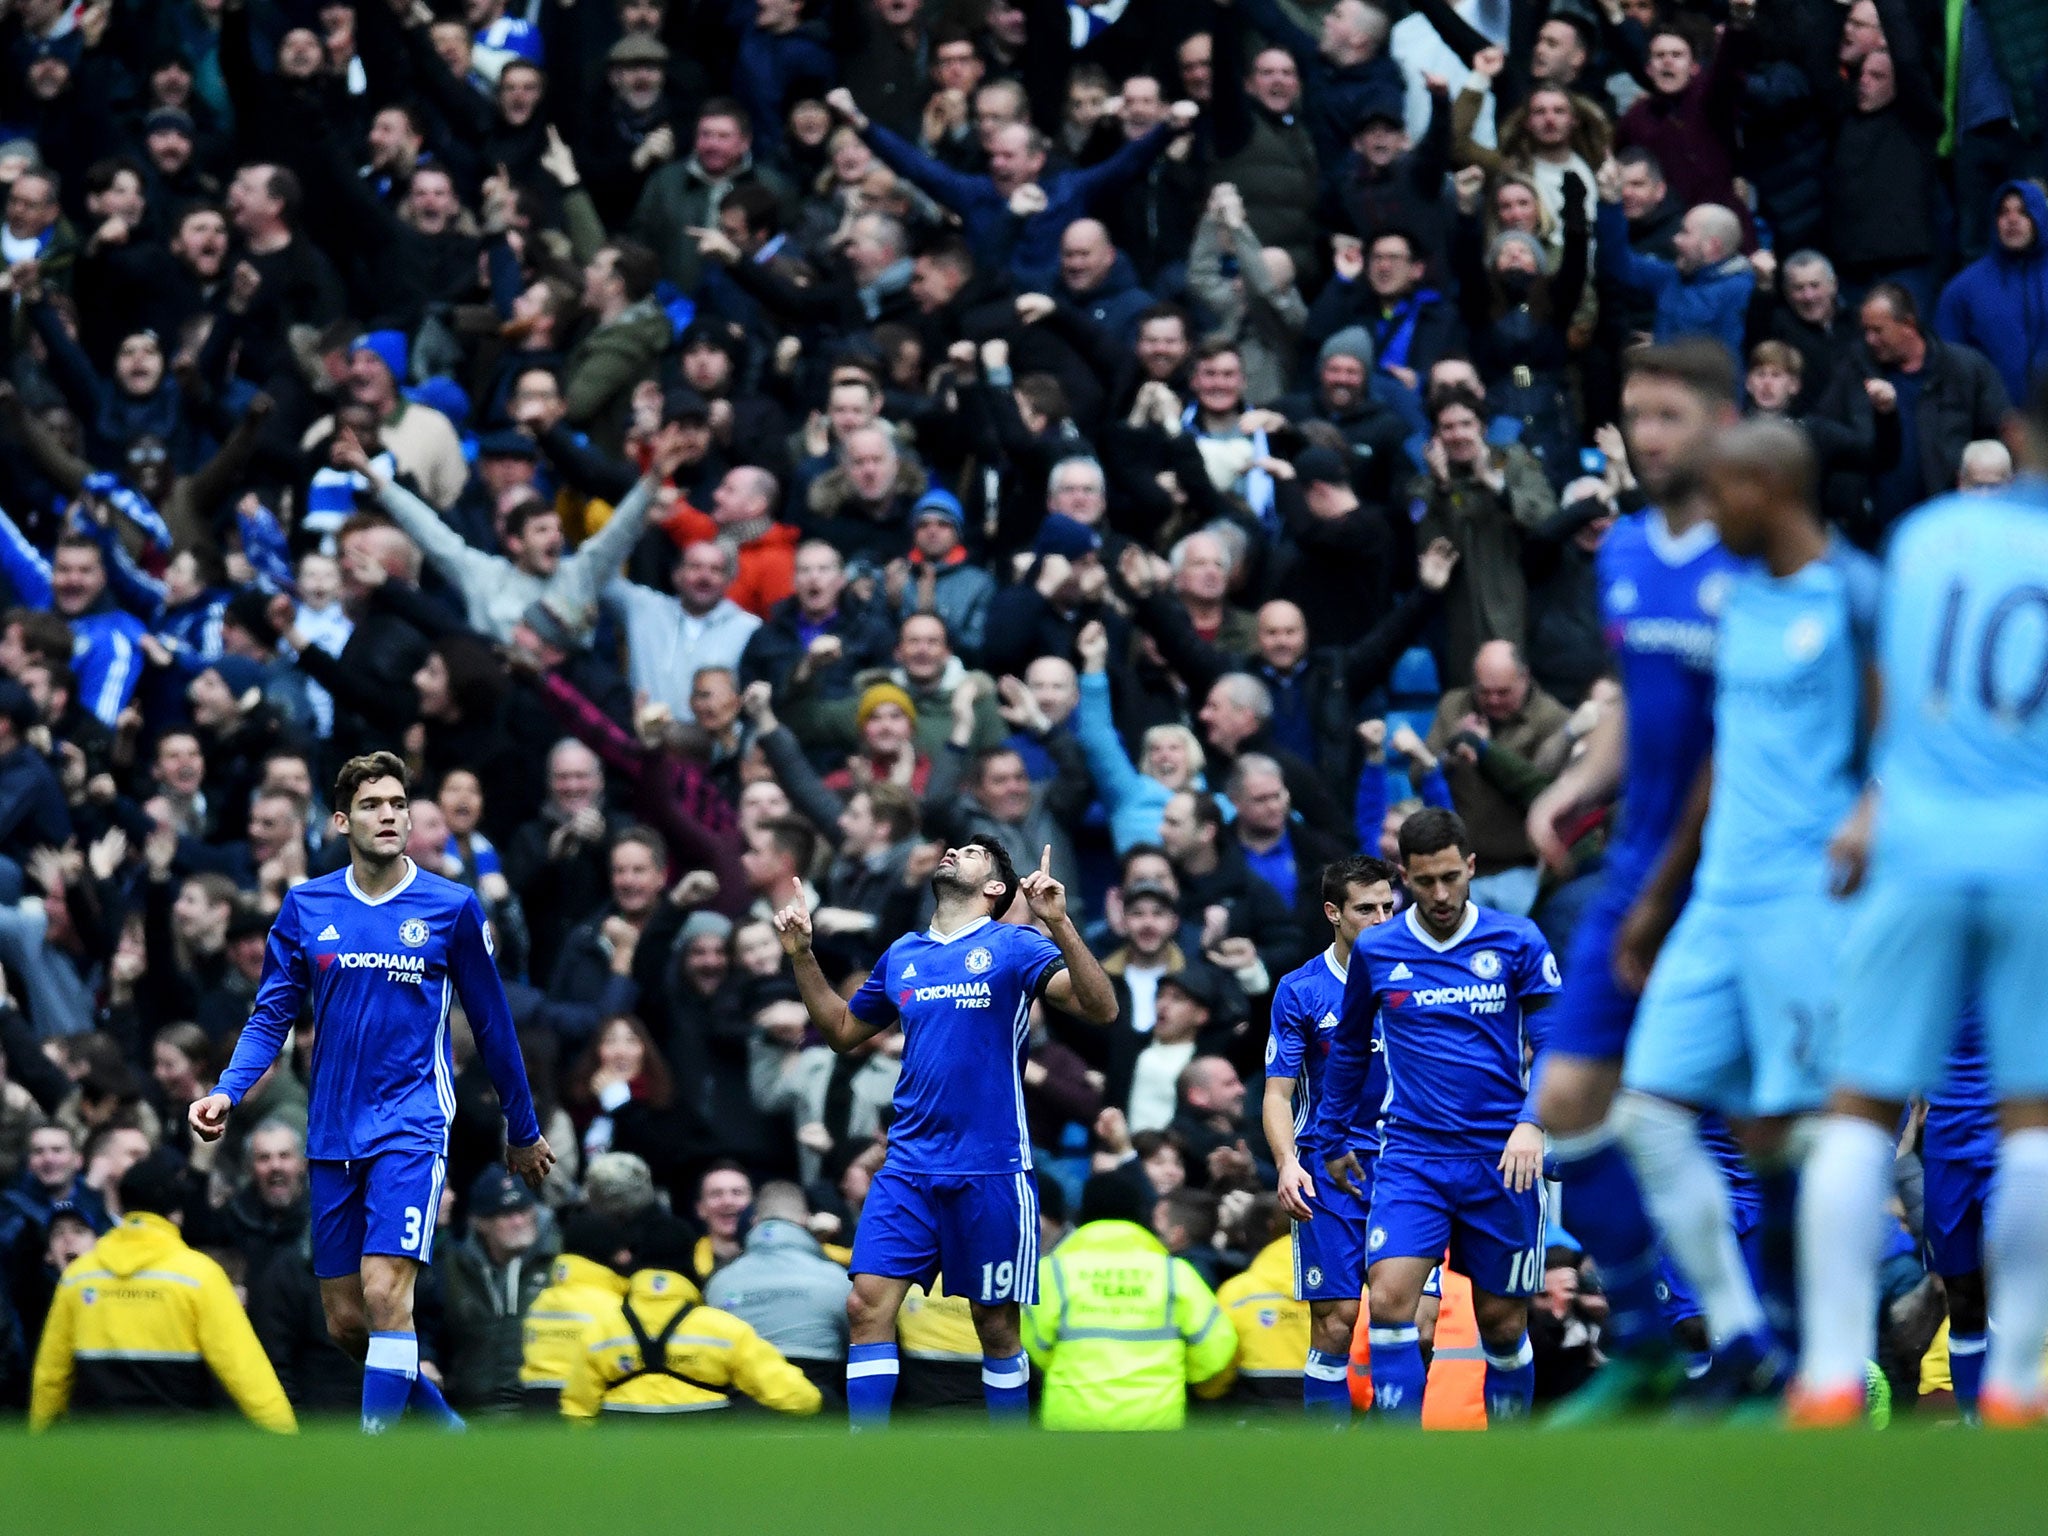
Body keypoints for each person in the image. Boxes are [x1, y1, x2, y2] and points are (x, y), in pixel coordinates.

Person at [1795, 368, 2048, 1429]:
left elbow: (1884, 699)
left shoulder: (1930, 536)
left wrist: (1864, 807)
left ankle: (1821, 1375)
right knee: (2029, 1118)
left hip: (1920, 838)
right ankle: (2016, 1386)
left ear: (2011, 430)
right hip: (2027, 842)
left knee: (1856, 1107)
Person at [1609, 419, 1878, 1404]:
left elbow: (1907, 734)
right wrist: (1657, 899)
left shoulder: (1853, 595)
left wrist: (1868, 813)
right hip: (1718, 899)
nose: (1704, 512)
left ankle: (1834, 1362)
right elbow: (1724, 758)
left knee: (1795, 1129)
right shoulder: (1741, 605)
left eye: (1719, 492)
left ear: (1768, 487)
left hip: (1807, 903)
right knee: (1644, 1110)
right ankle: (1743, 1340)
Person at [189, 752, 555, 1434]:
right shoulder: (308, 905)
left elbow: (494, 1025)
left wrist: (523, 1127)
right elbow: (272, 1013)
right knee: (350, 1323)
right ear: (340, 820)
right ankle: (447, 1431)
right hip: (332, 1131)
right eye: (371, 805)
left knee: (388, 1295)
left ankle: (374, 1470)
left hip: (411, 1124)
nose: (388, 815)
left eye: (396, 803)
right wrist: (228, 1091)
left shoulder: (450, 907)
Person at [1521, 341, 1745, 1422]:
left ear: (1720, 418)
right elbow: (1627, 692)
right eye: (1632, 416)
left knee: (1752, 1126)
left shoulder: (1756, 555)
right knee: (1563, 1104)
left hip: (1731, 877)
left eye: (1666, 415)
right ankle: (1646, 1343)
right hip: (1632, 865)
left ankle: (1772, 1352)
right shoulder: (1623, 555)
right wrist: (1571, 785)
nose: (1645, 437)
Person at [771, 834, 1117, 1426]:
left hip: (992, 1167)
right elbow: (844, 1030)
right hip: (906, 1165)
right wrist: (802, 954)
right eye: (955, 848)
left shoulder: (1014, 945)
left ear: (995, 889)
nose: (955, 851)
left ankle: (1007, 1460)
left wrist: (1059, 923)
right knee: (865, 1306)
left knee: (996, 1323)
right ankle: (868, 1462)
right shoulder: (903, 953)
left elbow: (1101, 1007)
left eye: (974, 852)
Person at [1312, 808, 1560, 1423]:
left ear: (1471, 866)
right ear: (1403, 878)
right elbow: (1347, 1049)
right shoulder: (1379, 948)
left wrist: (1533, 1122)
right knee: (1392, 1300)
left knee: (1502, 1324)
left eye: (1452, 877)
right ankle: (1402, 1466)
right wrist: (1332, 1134)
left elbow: (1556, 1041)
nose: (1442, 894)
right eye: (1425, 882)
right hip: (1412, 1157)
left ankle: (1511, 1468)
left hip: (1503, 1158)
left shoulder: (1517, 939)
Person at [1263, 854, 1398, 1417]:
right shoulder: (1302, 990)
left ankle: (1401, 1454)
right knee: (1338, 1321)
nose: (1381, 919)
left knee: (1414, 1319)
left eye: (1390, 906)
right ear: (1333, 913)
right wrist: (1286, 1163)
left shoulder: (1422, 977)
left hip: (1407, 1164)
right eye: (1366, 909)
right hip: (1330, 1168)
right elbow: (1276, 1095)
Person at [30, 1151, 295, 1432]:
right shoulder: (198, 1277)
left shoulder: (79, 1277)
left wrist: (39, 1444)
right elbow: (246, 1372)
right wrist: (288, 1441)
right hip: (179, 1454)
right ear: (176, 1215)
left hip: (96, 1452)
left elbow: (50, 1377)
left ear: (121, 1207)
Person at [1020, 1170, 1237, 1429]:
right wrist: (1181, 1373)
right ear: (1139, 1216)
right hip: (1156, 1427)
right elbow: (1216, 1351)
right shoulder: (1174, 1274)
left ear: (1084, 1213)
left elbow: (1031, 1346)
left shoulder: (1053, 1273)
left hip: (1073, 1424)